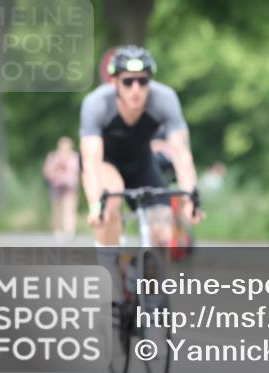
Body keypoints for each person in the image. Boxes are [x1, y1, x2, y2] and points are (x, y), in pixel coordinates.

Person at [79, 46, 203, 286]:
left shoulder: (164, 99)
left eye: (143, 81)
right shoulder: (96, 104)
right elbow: (91, 161)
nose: (136, 89)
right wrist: (96, 204)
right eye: (128, 82)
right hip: (107, 165)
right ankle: (111, 278)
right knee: (109, 205)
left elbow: (182, 154)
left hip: (142, 165)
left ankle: (151, 286)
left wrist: (190, 200)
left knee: (163, 231)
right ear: (114, 82)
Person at [42, 136, 80, 240]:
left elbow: (77, 172)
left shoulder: (74, 157)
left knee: (70, 209)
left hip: (70, 186)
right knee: (57, 210)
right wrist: (55, 171)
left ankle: (69, 231)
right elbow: (46, 171)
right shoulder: (53, 156)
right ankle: (58, 231)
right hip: (56, 186)